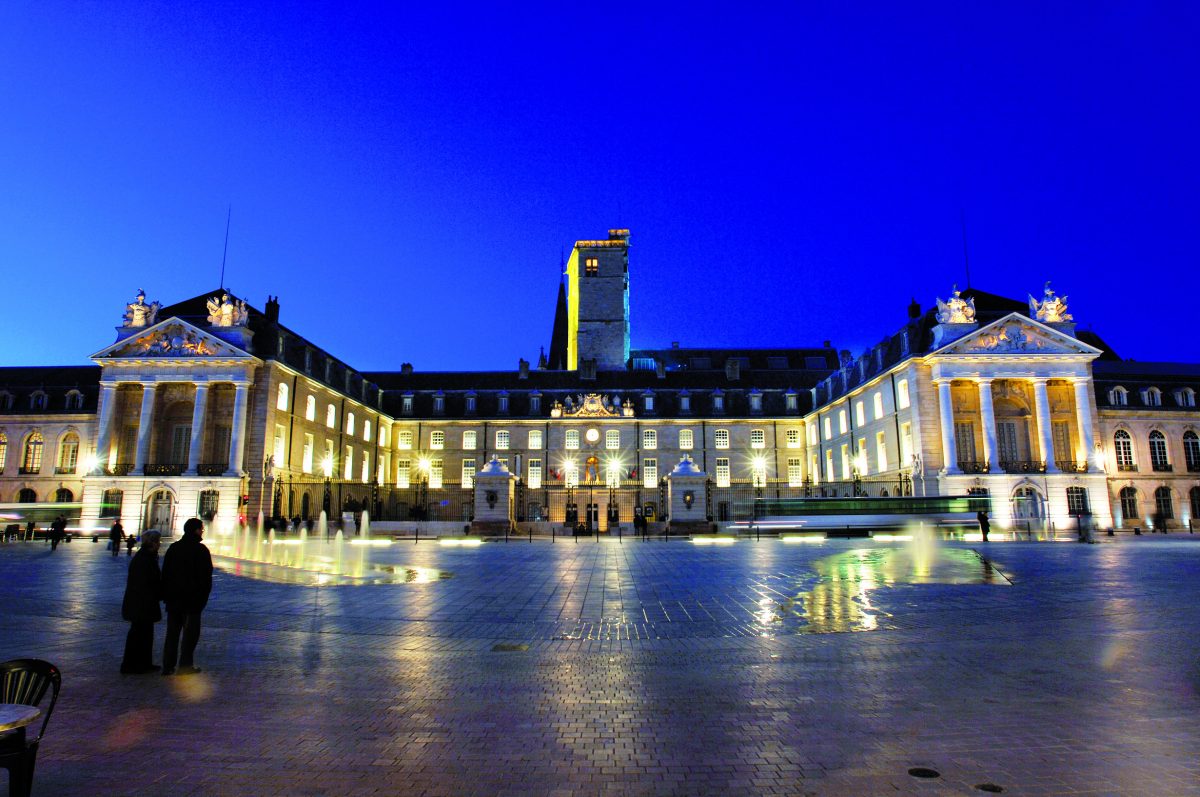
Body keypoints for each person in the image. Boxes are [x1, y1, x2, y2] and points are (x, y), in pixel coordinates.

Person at [160, 518, 213, 676]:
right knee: (190, 636)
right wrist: (202, 600)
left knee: (172, 635)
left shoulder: (174, 548)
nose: (202, 531)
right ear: (196, 530)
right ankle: (185, 666)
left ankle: (167, 666)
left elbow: (165, 573)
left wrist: (167, 595)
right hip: (192, 602)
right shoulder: (201, 550)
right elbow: (206, 578)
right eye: (201, 529)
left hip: (174, 601)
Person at [120, 530, 162, 674]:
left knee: (145, 634)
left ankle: (143, 663)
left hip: (142, 602)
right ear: (152, 542)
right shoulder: (145, 559)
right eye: (158, 542)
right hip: (141, 603)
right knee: (138, 635)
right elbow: (147, 582)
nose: (159, 545)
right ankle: (131, 665)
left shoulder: (146, 556)